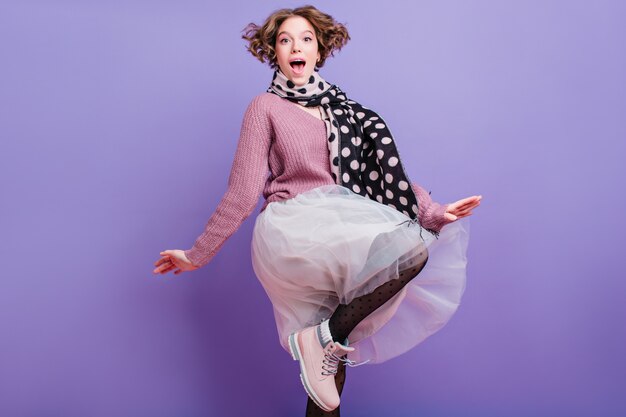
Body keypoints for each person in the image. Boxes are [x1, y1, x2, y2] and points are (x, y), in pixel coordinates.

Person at [153, 5, 481, 416]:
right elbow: (242, 191)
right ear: (273, 51)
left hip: (341, 225)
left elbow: (377, 179)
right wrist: (197, 254)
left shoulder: (341, 111)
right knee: (407, 254)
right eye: (285, 39)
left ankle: (321, 340)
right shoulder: (265, 107)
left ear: (320, 49)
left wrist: (432, 210)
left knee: (329, 373)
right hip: (293, 228)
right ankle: (322, 338)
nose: (296, 46)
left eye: (306, 38)